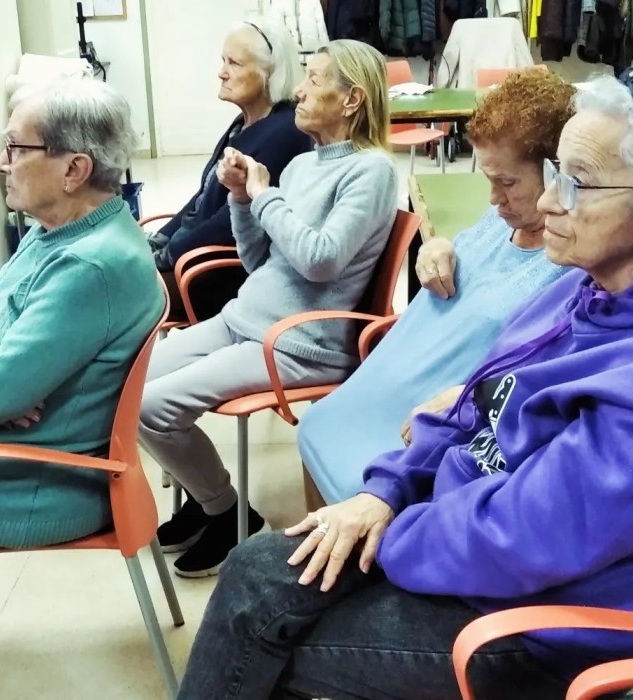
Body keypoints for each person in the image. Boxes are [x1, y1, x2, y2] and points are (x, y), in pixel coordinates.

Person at [177, 74, 633, 700]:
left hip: (536, 625)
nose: (551, 201)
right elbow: (471, 401)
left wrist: (393, 529)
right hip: (466, 546)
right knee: (257, 570)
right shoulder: (578, 293)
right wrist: (383, 494)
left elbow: (522, 537)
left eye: (577, 183)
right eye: (556, 175)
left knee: (260, 626)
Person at [140, 39, 399, 578]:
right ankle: (211, 502)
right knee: (130, 391)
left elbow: (320, 260)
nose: (298, 91)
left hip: (296, 343)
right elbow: (260, 260)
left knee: (151, 409)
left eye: (314, 80)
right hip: (244, 320)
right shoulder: (303, 165)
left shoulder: (371, 172)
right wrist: (242, 198)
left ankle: (224, 511)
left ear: (351, 99)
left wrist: (263, 196)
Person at [298, 69, 574, 506]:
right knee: (316, 427)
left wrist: (469, 400)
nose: (493, 198)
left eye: (507, 182)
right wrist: (439, 246)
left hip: (430, 411)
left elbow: (544, 371)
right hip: (388, 381)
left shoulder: (569, 263)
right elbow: (471, 262)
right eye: (488, 179)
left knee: (357, 481)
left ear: (560, 173)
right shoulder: (501, 220)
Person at [0, 79, 163, 549]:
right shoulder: (58, 230)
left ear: (74, 169)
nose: (2, 163)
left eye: (15, 148)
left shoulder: (88, 265)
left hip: (24, 485)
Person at [147, 17, 312, 320]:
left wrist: (167, 256)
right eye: (224, 61)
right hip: (191, 259)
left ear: (269, 72)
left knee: (111, 298)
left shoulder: (285, 132)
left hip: (215, 273)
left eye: (234, 63)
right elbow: (201, 200)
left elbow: (229, 223)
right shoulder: (246, 123)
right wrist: (158, 241)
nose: (221, 72)